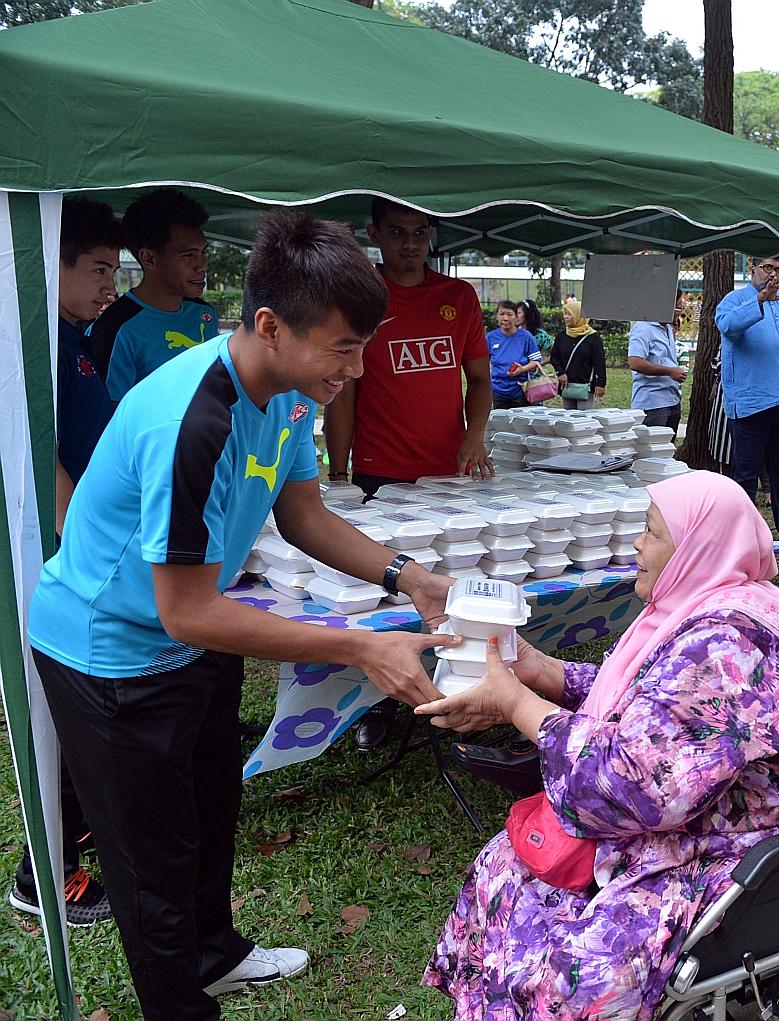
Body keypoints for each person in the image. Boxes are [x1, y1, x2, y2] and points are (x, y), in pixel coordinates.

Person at [27, 212, 459, 1019]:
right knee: (150, 864)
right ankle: (179, 1002)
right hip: (107, 650)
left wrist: (409, 575)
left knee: (210, 808)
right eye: (342, 347)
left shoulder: (292, 395)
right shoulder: (191, 418)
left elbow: (303, 516)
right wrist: (358, 645)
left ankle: (217, 954)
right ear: (269, 325)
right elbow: (184, 610)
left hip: (195, 631)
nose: (357, 370)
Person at [419, 471, 779, 1020]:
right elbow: (645, 703)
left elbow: (628, 785)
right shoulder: (699, 604)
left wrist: (516, 705)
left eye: (651, 533)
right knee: (504, 867)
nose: (636, 546)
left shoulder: (725, 645)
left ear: (697, 547)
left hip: (749, 832)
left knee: (585, 966)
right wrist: (544, 673)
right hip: (698, 810)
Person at [9, 198, 124, 929]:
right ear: (49, 257)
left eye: (117, 269)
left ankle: (73, 835)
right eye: (98, 268)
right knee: (55, 705)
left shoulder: (74, 333)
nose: (111, 284)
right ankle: (40, 875)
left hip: (79, 542)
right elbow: (37, 448)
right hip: (54, 550)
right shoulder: (36, 338)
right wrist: (80, 536)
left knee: (80, 700)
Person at [323, 199, 492, 498]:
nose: (410, 244)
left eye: (419, 233)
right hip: (379, 470)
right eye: (398, 232)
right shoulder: (357, 296)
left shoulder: (459, 296)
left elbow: (479, 378)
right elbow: (342, 392)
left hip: (449, 468)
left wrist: (475, 435)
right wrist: (338, 473)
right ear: (374, 233)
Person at [89, 188, 216, 401]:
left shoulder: (204, 313)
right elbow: (111, 417)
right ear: (149, 259)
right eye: (188, 255)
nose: (202, 266)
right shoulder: (114, 329)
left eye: (203, 253)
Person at [715, 254, 779, 545]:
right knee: (746, 472)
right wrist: (761, 300)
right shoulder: (734, 300)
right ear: (752, 269)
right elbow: (727, 326)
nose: (773, 274)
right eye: (767, 268)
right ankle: (740, 534)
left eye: (778, 269)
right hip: (750, 402)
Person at [627, 290, 687, 432]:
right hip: (652, 404)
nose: (680, 312)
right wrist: (670, 371)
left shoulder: (667, 327)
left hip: (672, 400)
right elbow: (634, 362)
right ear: (665, 306)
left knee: (666, 450)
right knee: (652, 450)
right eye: (678, 308)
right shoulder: (643, 328)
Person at [551, 298, 607, 410]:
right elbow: (554, 357)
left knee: (583, 420)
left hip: (585, 385)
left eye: (569, 314)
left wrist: (600, 384)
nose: (565, 317)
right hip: (567, 385)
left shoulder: (593, 337)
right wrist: (560, 373)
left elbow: (599, 362)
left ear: (578, 316)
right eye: (565, 314)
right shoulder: (561, 336)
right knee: (568, 420)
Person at [486, 299, 543, 410]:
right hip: (498, 391)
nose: (505, 318)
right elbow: (483, 363)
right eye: (502, 314)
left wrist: (522, 369)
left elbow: (536, 361)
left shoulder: (526, 337)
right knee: (501, 425)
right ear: (497, 316)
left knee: (520, 425)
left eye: (510, 314)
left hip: (521, 391)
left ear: (516, 317)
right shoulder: (490, 337)